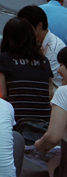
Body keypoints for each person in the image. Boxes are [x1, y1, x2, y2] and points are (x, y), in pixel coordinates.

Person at [0, 17, 53, 124]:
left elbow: (2, 94)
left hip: (16, 119)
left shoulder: (3, 59)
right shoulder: (43, 60)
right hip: (44, 120)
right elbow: (48, 92)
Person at [34, 47, 67, 176]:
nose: (58, 70)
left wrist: (40, 145)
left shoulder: (63, 92)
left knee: (52, 164)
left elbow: (53, 137)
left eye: (62, 65)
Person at [17, 4, 65, 90]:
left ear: (40, 25)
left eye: (27, 27)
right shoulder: (37, 41)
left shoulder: (53, 49)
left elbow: (43, 78)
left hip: (52, 91)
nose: (24, 31)